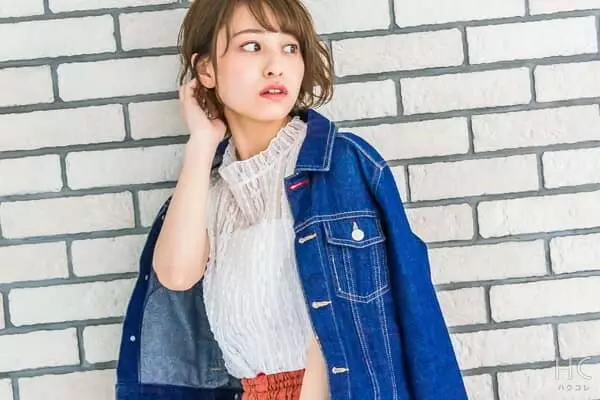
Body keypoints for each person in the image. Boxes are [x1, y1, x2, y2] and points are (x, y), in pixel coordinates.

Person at [115, 0, 468, 399]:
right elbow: (176, 276)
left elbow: (404, 314)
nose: (275, 66)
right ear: (207, 70)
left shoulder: (341, 166)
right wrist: (201, 141)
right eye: (252, 46)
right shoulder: (208, 192)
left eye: (290, 47)